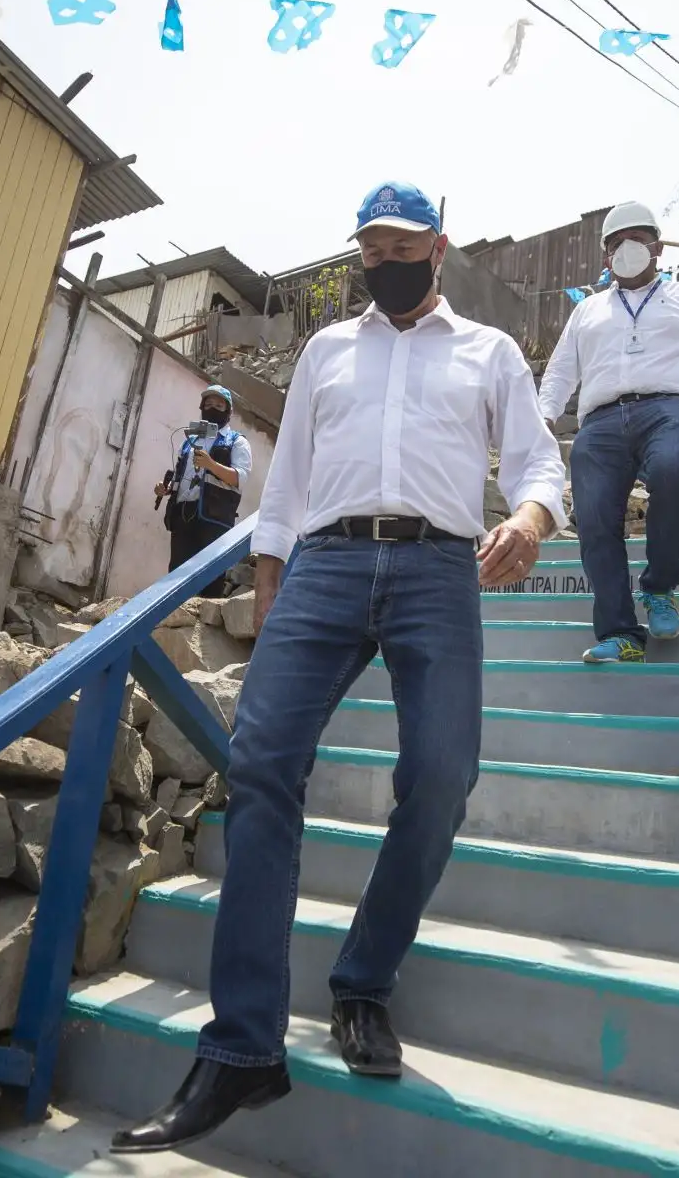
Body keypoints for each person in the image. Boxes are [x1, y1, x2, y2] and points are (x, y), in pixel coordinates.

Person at [111, 180, 565, 1154]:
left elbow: (538, 464)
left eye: (399, 244)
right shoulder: (326, 349)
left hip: (439, 569)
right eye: (368, 247)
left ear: (436, 248)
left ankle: (363, 983)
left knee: (442, 779)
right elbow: (289, 486)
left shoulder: (487, 353)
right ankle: (242, 1048)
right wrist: (273, 588)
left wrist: (528, 518)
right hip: (322, 568)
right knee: (262, 769)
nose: (381, 261)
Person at [538, 200, 679, 665]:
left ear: (658, 248)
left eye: (637, 242)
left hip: (668, 409)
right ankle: (621, 633)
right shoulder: (586, 311)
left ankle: (660, 587)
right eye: (616, 245)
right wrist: (542, 417)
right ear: (606, 257)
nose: (627, 251)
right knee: (595, 519)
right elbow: (561, 371)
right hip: (600, 421)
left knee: (675, 469)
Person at [154, 384, 251, 597]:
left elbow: (239, 478)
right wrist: (167, 489)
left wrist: (211, 465)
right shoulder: (191, 440)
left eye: (219, 405)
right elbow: (183, 476)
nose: (213, 408)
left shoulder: (237, 441)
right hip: (183, 515)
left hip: (214, 519)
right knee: (176, 575)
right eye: (208, 404)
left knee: (210, 578)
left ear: (229, 411)